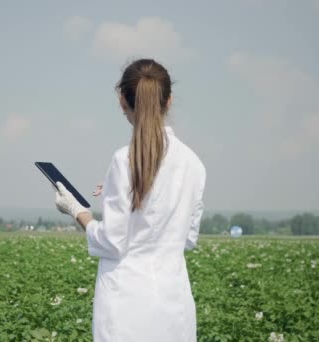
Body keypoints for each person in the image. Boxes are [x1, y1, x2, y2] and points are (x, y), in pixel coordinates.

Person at [53, 58, 206, 342]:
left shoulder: (124, 160)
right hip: (174, 304)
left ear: (122, 101)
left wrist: (77, 211)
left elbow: (112, 241)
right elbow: (189, 239)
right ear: (169, 101)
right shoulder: (194, 164)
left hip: (126, 306)